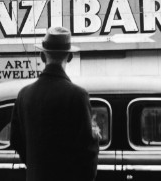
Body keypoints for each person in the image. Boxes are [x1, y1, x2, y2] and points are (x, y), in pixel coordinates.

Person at [10, 26, 99, 181]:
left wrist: (36, 166)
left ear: (42, 56)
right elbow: (87, 153)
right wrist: (95, 137)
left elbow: (16, 140)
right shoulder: (78, 96)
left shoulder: (24, 95)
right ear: (69, 57)